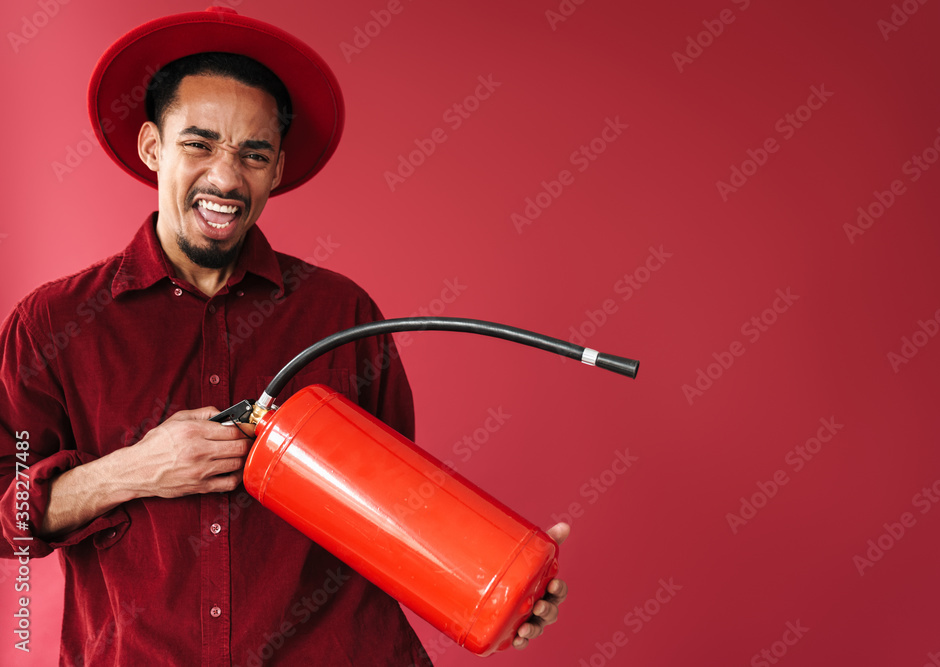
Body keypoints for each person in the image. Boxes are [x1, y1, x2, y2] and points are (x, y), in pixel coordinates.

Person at [0, 7, 568, 666]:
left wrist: (500, 592)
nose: (224, 177)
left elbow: (403, 519)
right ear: (153, 146)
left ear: (276, 170)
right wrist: (134, 469)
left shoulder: (342, 314)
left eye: (253, 153)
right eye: (199, 143)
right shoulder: (53, 323)